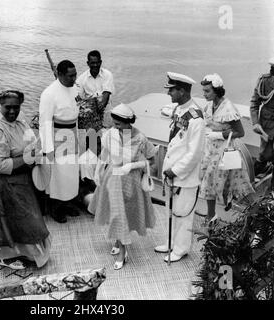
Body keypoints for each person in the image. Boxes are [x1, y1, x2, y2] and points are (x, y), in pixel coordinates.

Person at [0, 90, 51, 270]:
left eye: (16, 107)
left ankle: (24, 254)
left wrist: (35, 154)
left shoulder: (20, 120)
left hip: (23, 179)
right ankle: (7, 256)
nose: (12, 111)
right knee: (18, 221)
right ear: (0, 105)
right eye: (8, 108)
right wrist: (29, 159)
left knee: (23, 220)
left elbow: (31, 141)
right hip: (8, 183)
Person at [88, 103, 156, 270]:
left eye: (118, 124)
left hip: (130, 181)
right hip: (112, 177)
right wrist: (97, 171)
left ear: (128, 122)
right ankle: (120, 246)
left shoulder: (140, 138)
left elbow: (152, 162)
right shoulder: (111, 134)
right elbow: (104, 154)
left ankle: (121, 249)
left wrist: (132, 166)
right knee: (116, 213)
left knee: (121, 214)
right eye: (113, 123)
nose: (114, 127)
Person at [154, 72, 205, 263]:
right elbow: (176, 142)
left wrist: (175, 170)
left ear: (182, 91)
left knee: (183, 213)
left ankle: (181, 248)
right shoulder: (178, 110)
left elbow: (195, 153)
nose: (169, 94)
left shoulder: (196, 118)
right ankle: (170, 242)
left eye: (172, 90)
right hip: (172, 172)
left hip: (184, 176)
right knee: (171, 209)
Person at [199, 74, 255, 226]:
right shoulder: (209, 106)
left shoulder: (228, 108)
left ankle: (256, 214)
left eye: (207, 91)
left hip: (226, 151)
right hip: (211, 149)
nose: (204, 94)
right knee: (209, 182)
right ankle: (211, 216)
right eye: (203, 91)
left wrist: (219, 134)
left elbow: (240, 133)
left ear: (216, 91)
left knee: (235, 184)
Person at [39, 60, 81, 223]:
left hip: (72, 134)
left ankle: (67, 203)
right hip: (56, 137)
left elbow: (75, 114)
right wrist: (48, 149)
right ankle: (55, 208)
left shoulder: (74, 88)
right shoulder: (49, 94)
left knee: (71, 173)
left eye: (75, 74)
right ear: (60, 74)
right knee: (58, 175)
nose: (74, 78)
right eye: (70, 76)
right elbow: (45, 123)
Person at [76, 50, 115, 131]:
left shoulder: (107, 74)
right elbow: (78, 99)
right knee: (93, 141)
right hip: (90, 114)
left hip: (106, 111)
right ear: (88, 63)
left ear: (100, 62)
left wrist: (98, 111)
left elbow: (106, 96)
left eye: (97, 62)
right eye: (92, 63)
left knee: (107, 138)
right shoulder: (81, 79)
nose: (95, 65)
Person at [250, 58, 274, 178]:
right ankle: (249, 181)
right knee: (264, 155)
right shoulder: (264, 81)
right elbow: (254, 103)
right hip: (267, 125)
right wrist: (255, 123)